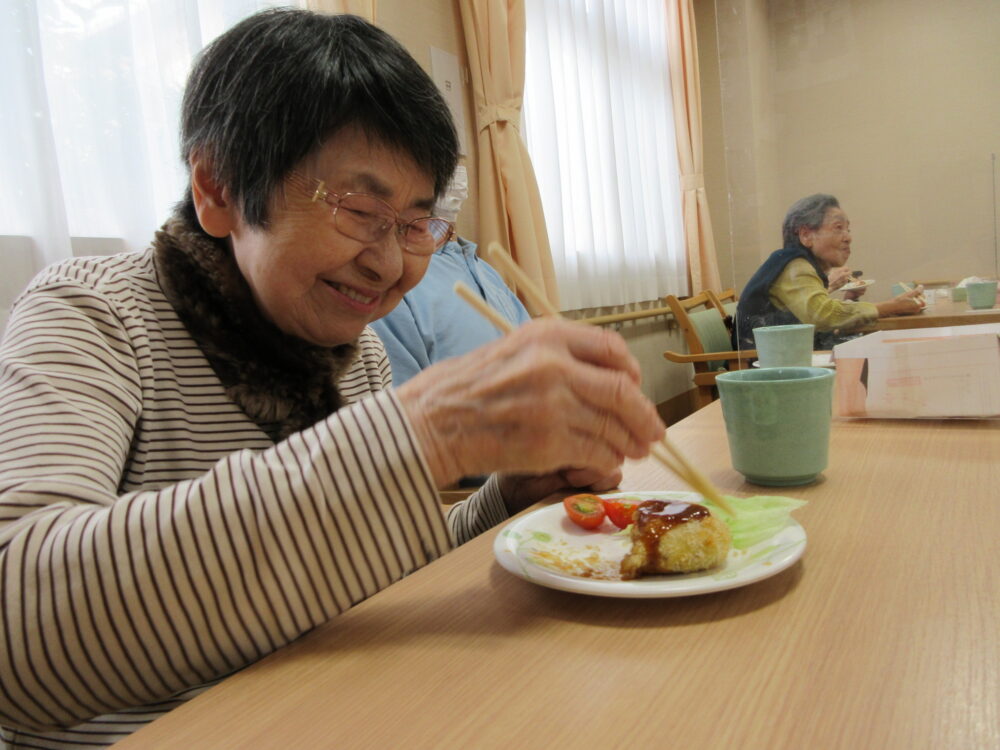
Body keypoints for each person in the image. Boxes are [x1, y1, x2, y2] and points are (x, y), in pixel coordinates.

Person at [0, 10, 664, 748]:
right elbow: (16, 635)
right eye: (358, 209)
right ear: (217, 186)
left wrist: (506, 498)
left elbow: (362, 564)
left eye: (417, 224)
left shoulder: (359, 350)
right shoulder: (95, 313)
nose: (391, 266)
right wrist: (426, 432)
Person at [371, 166, 531, 385]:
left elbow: (530, 344)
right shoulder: (399, 282)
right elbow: (404, 405)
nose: (458, 177)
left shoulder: (484, 270)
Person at [734, 193, 924, 351]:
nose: (848, 238)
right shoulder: (796, 266)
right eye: (838, 228)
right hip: (768, 367)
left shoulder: (796, 262)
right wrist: (891, 307)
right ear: (806, 235)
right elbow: (823, 316)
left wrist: (848, 298)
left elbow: (808, 314)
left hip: (787, 354)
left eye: (848, 229)